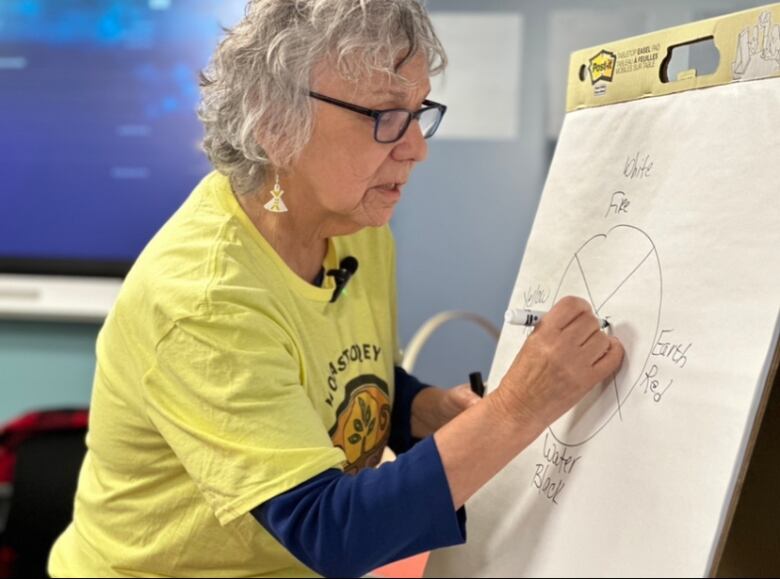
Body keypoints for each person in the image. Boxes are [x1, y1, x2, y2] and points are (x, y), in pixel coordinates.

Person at [48, 1, 624, 577]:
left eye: (419, 111)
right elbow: (327, 529)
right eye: (384, 115)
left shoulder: (353, 226)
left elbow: (338, 375)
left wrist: (423, 409)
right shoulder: (205, 300)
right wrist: (517, 407)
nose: (417, 147)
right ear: (274, 123)